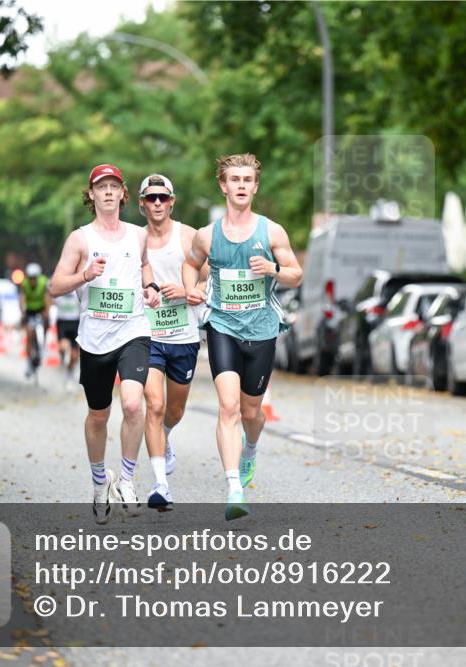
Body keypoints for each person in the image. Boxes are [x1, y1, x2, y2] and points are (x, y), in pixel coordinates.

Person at [183, 154, 303, 520]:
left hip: (262, 330)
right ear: (223, 185)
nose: (240, 185)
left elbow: (296, 274)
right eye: (234, 179)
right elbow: (190, 264)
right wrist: (191, 289)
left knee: (252, 413)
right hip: (223, 327)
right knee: (229, 407)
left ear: (255, 186)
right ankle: (234, 487)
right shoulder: (207, 235)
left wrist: (273, 268)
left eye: (247, 180)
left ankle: (250, 448)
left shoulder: (272, 232)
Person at [49, 163, 161, 524]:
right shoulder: (80, 239)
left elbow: (145, 265)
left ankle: (126, 480)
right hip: (95, 339)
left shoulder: (138, 235)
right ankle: (100, 482)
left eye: (114, 186)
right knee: (99, 415)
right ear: (92, 194)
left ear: (123, 194)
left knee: (133, 404)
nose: (108, 192)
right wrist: (85, 275)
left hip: (133, 331)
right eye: (102, 187)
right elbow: (55, 286)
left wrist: (151, 287)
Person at [139, 173, 206, 512]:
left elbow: (211, 278)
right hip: (146, 336)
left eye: (162, 197)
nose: (157, 203)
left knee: (173, 411)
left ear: (172, 202)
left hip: (184, 336)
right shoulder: (134, 240)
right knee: (153, 404)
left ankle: (165, 435)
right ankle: (160, 485)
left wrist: (188, 291)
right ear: (142, 204)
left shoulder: (189, 236)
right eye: (151, 198)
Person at [18, 262, 50, 378]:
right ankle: (28, 363)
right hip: (30, 310)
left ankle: (43, 344)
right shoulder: (24, 284)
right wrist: (22, 312)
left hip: (41, 309)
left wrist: (47, 312)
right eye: (30, 278)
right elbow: (22, 299)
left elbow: (47, 297)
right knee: (29, 333)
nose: (32, 281)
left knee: (46, 323)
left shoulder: (43, 282)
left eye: (34, 278)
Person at [53, 282, 81, 384]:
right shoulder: (60, 291)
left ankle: (69, 372)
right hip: (62, 323)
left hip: (75, 323)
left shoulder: (78, 291)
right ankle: (62, 360)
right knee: (63, 347)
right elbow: (50, 297)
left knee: (74, 356)